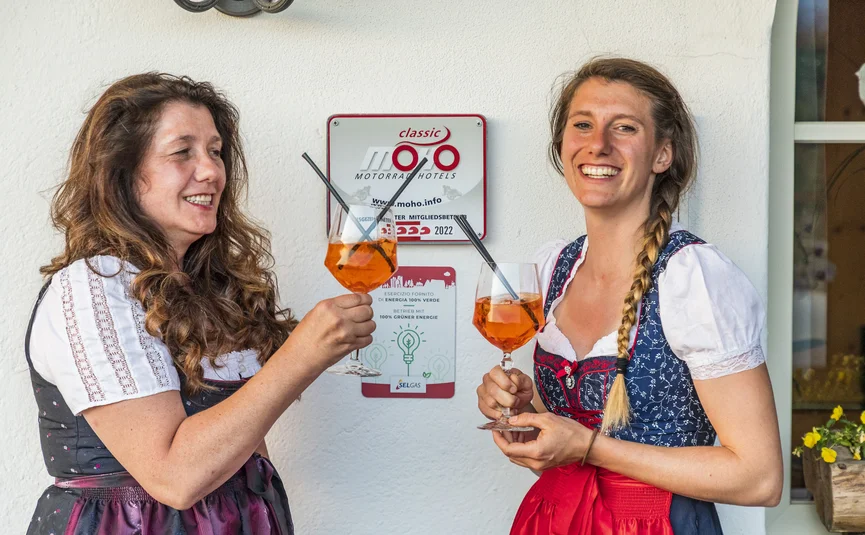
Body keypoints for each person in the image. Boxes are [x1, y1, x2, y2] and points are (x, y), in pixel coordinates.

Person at [25, 73, 375, 534]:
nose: (211, 171)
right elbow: (175, 479)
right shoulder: (94, 287)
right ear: (123, 173)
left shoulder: (212, 288)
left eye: (214, 151)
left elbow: (242, 446)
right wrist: (301, 356)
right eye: (182, 151)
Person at [476, 58, 783, 534]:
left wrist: (587, 446)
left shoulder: (693, 277)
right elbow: (562, 447)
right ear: (563, 145)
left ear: (662, 155)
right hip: (555, 518)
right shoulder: (552, 267)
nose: (597, 144)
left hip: (656, 524)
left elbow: (759, 478)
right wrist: (523, 415)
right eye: (582, 124)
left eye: (623, 127)